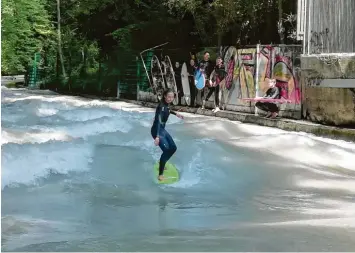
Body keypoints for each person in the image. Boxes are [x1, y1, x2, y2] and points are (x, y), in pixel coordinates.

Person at [151, 88, 184, 181]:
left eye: (172, 97)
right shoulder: (161, 106)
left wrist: (176, 114)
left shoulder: (166, 105)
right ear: (165, 96)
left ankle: (162, 161)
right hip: (157, 130)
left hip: (162, 130)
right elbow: (158, 121)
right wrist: (157, 136)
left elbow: (168, 109)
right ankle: (160, 174)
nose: (170, 99)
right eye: (168, 97)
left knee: (173, 148)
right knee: (166, 150)